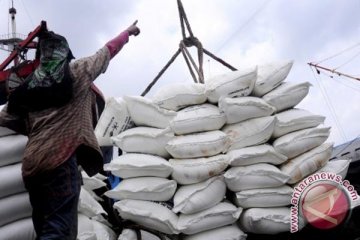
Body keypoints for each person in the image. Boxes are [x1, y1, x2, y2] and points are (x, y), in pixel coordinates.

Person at [0, 20, 140, 239]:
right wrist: (127, 32)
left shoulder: (27, 87)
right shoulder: (76, 71)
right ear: (64, 51)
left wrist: (32, 127)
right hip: (60, 162)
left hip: (32, 168)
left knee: (43, 226)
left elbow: (5, 117)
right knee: (60, 230)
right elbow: (105, 53)